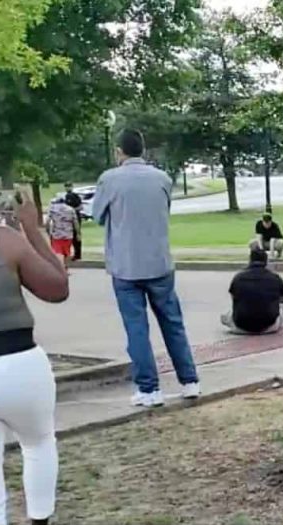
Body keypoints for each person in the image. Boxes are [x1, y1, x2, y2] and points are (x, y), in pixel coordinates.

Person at [0, 158, 69, 525]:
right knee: (38, 443)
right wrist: (32, 230)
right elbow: (57, 289)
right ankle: (41, 519)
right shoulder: (5, 239)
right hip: (22, 365)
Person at [92, 129, 200, 408]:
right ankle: (190, 381)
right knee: (173, 323)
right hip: (160, 262)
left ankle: (149, 389)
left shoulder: (109, 179)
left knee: (136, 328)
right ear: (143, 149)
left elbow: (97, 215)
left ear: (119, 152)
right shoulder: (162, 178)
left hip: (125, 266)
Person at [221, 249, 283, 335]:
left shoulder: (238, 277)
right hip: (268, 326)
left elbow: (233, 298)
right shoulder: (275, 277)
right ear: (266, 261)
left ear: (250, 260)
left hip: (240, 325)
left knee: (225, 315)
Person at [46, 197, 78, 268]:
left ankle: (60, 267)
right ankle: (66, 266)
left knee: (58, 252)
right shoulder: (70, 209)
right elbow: (75, 222)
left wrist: (48, 231)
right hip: (68, 234)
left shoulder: (52, 209)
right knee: (67, 252)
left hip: (56, 234)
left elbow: (47, 221)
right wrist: (78, 233)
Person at [63, 182, 83, 261]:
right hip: (68, 219)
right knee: (68, 236)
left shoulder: (75, 196)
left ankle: (78, 254)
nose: (68, 188)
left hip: (76, 218)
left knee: (76, 236)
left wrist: (71, 210)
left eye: (69, 186)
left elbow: (81, 207)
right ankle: (69, 253)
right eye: (66, 186)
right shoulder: (65, 197)